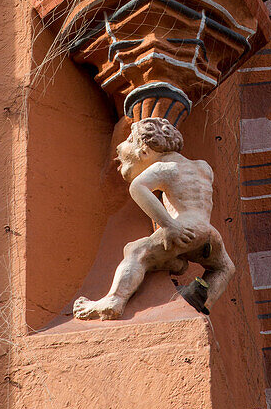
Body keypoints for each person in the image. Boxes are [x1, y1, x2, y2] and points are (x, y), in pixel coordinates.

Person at [73, 117, 234, 319]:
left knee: (135, 251)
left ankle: (114, 300)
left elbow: (137, 187)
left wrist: (169, 225)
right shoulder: (203, 167)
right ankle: (203, 299)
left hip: (184, 225)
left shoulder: (164, 168)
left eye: (130, 140)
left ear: (145, 152)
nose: (122, 147)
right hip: (209, 233)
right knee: (224, 267)